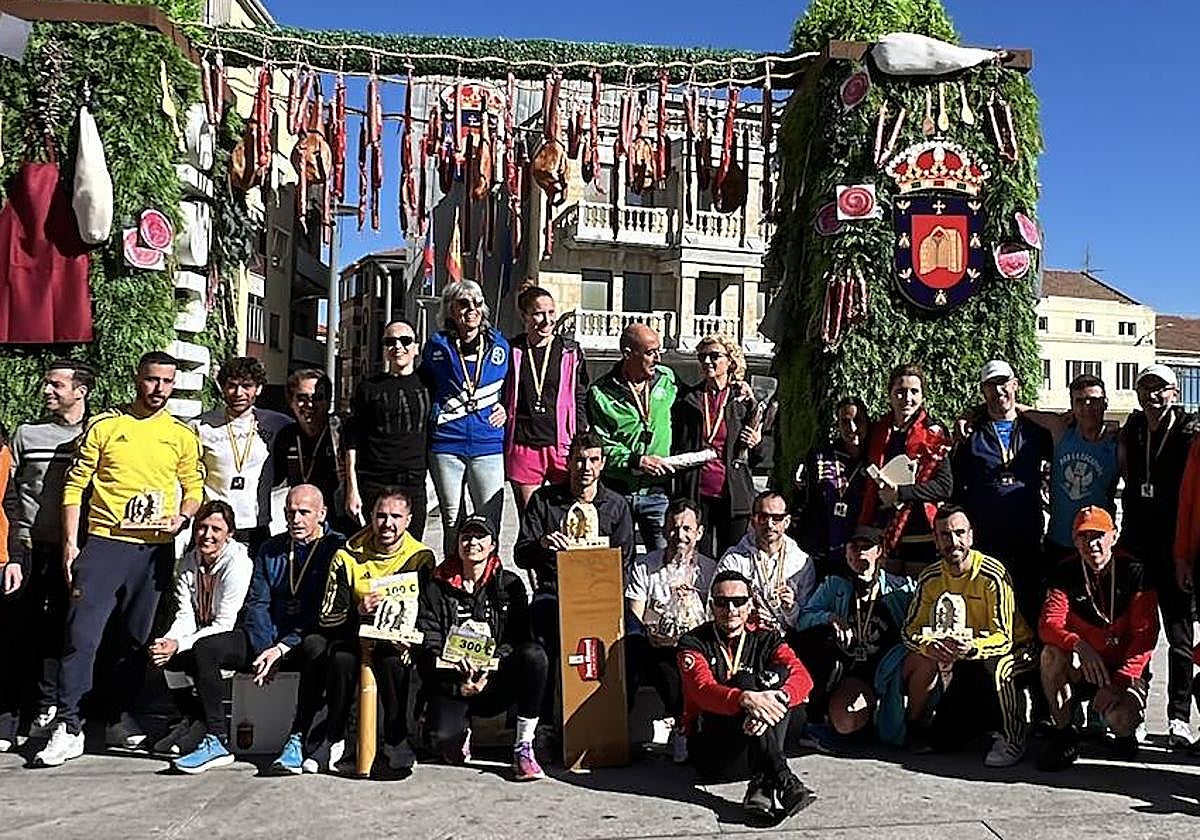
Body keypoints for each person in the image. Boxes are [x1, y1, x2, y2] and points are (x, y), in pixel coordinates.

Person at [34, 352, 204, 768]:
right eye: (152, 380)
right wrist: (72, 545)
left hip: (153, 551)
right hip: (106, 543)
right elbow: (75, 487)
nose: (159, 389)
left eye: (167, 381)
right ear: (138, 380)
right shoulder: (108, 427)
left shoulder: (181, 435)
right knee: (82, 635)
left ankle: (115, 716)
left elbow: (193, 488)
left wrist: (182, 516)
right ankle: (69, 725)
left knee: (133, 641)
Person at [165, 484, 345, 775]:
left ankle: (298, 738)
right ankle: (216, 740)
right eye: (290, 512)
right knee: (206, 649)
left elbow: (324, 608)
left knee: (317, 648)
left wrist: (282, 647)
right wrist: (264, 648)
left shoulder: (335, 547)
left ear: (322, 514)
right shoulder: (271, 547)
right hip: (267, 638)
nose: (295, 519)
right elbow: (257, 602)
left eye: (304, 512)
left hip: (302, 638)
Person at [901, 506, 1036, 767]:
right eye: (945, 535)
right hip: (961, 659)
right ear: (936, 539)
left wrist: (971, 647)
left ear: (971, 536)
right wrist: (929, 646)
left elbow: (1004, 638)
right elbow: (909, 630)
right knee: (943, 742)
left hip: (1015, 650)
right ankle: (969, 723)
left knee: (1000, 669)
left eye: (959, 533)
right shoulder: (929, 578)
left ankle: (1013, 737)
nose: (954, 542)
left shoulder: (992, 574)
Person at [416, 514, 548, 781]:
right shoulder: (436, 584)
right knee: (443, 742)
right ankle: (457, 732)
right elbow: (428, 640)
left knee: (535, 656)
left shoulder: (509, 584)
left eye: (480, 537)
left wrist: (489, 666)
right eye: (466, 537)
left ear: (493, 545)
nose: (472, 542)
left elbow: (518, 637)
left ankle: (524, 745)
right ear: (457, 544)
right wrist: (457, 681)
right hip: (451, 681)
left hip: (494, 680)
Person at [677, 571, 815, 825]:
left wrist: (778, 699)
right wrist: (745, 699)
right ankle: (782, 777)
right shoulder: (693, 642)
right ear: (711, 605)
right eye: (721, 602)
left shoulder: (766, 636)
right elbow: (703, 690)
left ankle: (763, 783)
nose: (730, 609)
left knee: (779, 682)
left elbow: (803, 678)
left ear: (750, 604)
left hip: (758, 744)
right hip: (714, 751)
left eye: (739, 601)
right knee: (746, 683)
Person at [1, 358, 91, 745]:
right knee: (20, 631)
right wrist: (16, 555)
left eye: (57, 385)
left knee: (70, 632)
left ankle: (53, 707)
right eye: (47, 384)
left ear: (80, 391)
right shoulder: (28, 434)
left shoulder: (99, 433)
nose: (47, 391)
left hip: (82, 550)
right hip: (33, 549)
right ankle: (11, 715)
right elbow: (11, 499)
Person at [318, 488, 436, 773]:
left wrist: (409, 636)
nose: (388, 523)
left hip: (395, 639)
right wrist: (358, 609)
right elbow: (327, 615)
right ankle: (336, 738)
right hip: (354, 633)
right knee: (340, 660)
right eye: (381, 516)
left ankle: (396, 740)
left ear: (409, 520)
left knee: (394, 662)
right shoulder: (347, 554)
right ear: (370, 517)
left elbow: (427, 610)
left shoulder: (421, 557)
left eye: (396, 516)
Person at [1037, 506, 1159, 770]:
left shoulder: (1135, 570)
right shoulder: (1065, 571)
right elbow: (1048, 624)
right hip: (1086, 665)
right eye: (1083, 537)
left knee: (1121, 719)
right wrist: (1078, 645)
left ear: (1113, 536)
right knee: (1050, 656)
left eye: (1098, 535)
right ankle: (1064, 734)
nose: (1091, 544)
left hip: (1123, 669)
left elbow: (1145, 636)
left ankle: (1125, 737)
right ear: (1074, 541)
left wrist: (1117, 683)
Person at [1116, 364, 1195, 747]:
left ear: (1175, 392)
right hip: (1136, 547)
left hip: (1175, 550)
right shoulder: (1131, 429)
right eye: (1145, 387)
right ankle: (1136, 711)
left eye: (1160, 388)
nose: (1152, 395)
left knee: (1180, 638)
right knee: (1139, 634)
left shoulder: (1190, 431)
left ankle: (1179, 717)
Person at [514, 431, 635, 672]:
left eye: (593, 460)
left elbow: (625, 561)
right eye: (579, 460)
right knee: (541, 642)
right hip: (554, 592)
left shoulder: (617, 505)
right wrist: (542, 544)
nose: (585, 467)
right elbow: (521, 555)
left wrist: (607, 596)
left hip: (602, 595)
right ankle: (543, 708)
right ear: (568, 462)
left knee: (635, 639)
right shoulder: (543, 500)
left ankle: (620, 706)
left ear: (602, 464)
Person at [149, 501, 253, 773]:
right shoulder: (188, 562)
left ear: (229, 533)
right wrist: (170, 641)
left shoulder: (238, 563)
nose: (207, 535)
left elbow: (225, 623)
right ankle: (193, 721)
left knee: (205, 649)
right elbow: (185, 615)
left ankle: (217, 738)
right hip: (205, 633)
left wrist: (180, 643)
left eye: (216, 529)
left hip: (241, 636)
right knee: (166, 655)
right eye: (202, 528)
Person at [952, 360, 1052, 625]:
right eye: (991, 386)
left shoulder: (1036, 431)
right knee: (989, 607)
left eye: (1003, 383)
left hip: (1027, 536)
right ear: (983, 391)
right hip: (986, 537)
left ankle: (1032, 664)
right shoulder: (970, 433)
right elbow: (956, 485)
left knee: (1029, 605)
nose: (998, 392)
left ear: (1015, 385)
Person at [794, 525, 915, 738]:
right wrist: (829, 617)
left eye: (866, 547)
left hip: (887, 669)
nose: (859, 553)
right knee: (846, 722)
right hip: (854, 672)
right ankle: (854, 715)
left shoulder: (900, 589)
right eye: (853, 547)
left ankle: (917, 725)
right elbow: (803, 619)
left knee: (924, 660)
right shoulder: (835, 585)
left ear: (879, 551)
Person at [625, 498, 717, 762]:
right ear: (665, 531)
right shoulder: (645, 566)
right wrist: (654, 629)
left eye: (687, 529)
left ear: (699, 533)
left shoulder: (709, 570)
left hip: (697, 645)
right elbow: (635, 613)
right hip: (658, 645)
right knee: (655, 657)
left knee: (687, 658)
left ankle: (688, 728)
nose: (681, 536)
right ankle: (680, 727)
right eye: (674, 528)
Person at [422, 280, 509, 555]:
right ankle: (451, 581)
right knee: (452, 519)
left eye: (477, 303)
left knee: (489, 519)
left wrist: (506, 407)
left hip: (487, 442)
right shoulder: (436, 347)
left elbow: (514, 387)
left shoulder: (499, 346)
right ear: (451, 310)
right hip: (446, 442)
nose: (471, 309)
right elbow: (423, 388)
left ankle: (488, 583)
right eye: (463, 304)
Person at [587, 323, 677, 552]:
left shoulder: (667, 380)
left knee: (662, 561)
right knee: (614, 561)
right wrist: (635, 460)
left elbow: (697, 400)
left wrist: (738, 385)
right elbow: (601, 444)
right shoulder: (600, 393)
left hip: (657, 492)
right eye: (650, 352)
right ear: (628, 354)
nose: (657, 358)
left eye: (659, 351)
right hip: (617, 493)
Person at [858, 364, 953, 577]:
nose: (906, 398)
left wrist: (901, 493)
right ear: (890, 395)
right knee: (886, 601)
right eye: (900, 392)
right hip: (883, 531)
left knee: (916, 598)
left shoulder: (934, 434)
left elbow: (944, 487)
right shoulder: (878, 431)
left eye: (914, 391)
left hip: (921, 533)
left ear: (923, 396)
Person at [191, 356, 293, 555]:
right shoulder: (200, 426)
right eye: (232, 386)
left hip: (255, 527)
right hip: (212, 527)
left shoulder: (278, 425)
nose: (239, 393)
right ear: (222, 387)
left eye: (247, 386)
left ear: (259, 388)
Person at [672, 334, 762, 558]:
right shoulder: (688, 399)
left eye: (714, 356)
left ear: (730, 361)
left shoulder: (744, 401)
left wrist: (756, 443)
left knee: (733, 558)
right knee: (696, 559)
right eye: (702, 357)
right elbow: (678, 445)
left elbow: (760, 456)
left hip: (734, 497)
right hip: (697, 494)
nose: (707, 362)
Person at [504, 286, 589, 515]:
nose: (546, 320)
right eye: (539, 314)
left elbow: (580, 394)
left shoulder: (570, 351)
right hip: (524, 444)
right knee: (531, 517)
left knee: (568, 515)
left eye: (551, 313)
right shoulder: (512, 350)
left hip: (561, 444)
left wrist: (581, 432)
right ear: (524, 316)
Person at [344, 318, 430, 539]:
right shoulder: (368, 388)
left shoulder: (429, 383)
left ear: (416, 347)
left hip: (413, 481)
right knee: (371, 551)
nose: (398, 346)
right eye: (390, 341)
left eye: (405, 340)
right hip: (374, 482)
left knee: (411, 552)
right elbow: (352, 440)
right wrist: (351, 489)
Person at [1021, 373, 1119, 559]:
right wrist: (974, 413)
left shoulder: (1117, 444)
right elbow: (1016, 410)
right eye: (1080, 401)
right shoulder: (1061, 431)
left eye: (1093, 400)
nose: (1086, 407)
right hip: (1059, 541)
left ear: (1105, 403)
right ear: (1072, 406)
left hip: (1096, 545)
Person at [717, 491, 815, 639]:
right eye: (763, 517)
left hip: (788, 639)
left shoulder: (801, 562)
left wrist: (790, 608)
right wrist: (746, 614)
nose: (769, 525)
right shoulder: (733, 559)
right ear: (753, 521)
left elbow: (805, 620)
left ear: (787, 522)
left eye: (776, 518)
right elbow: (717, 605)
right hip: (745, 638)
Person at [793, 396, 870, 581]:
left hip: (861, 547)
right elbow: (806, 501)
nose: (852, 428)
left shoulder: (875, 456)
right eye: (845, 422)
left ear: (867, 421)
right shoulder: (821, 456)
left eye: (857, 421)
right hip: (824, 545)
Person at [273, 369, 345, 532]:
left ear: (328, 401)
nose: (310, 405)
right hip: (301, 522)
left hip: (339, 521)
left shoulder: (341, 432)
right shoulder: (286, 436)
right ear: (291, 402)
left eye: (317, 398)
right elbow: (275, 479)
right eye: (302, 398)